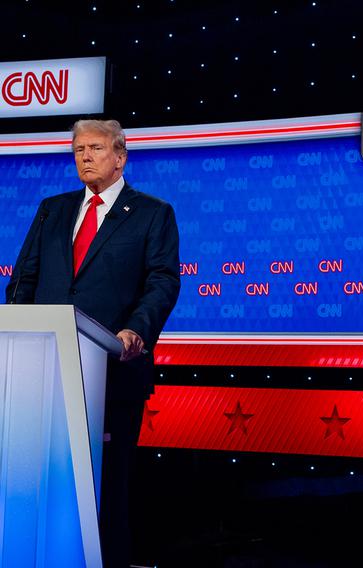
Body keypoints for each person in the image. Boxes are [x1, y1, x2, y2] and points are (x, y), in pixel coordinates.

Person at [6, 119, 180, 566]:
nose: (85, 156)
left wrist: (135, 331)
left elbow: (162, 281)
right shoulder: (53, 209)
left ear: (120, 156)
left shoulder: (152, 212)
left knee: (108, 488)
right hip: (40, 374)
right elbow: (24, 278)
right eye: (79, 149)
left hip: (113, 371)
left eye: (96, 148)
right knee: (34, 480)